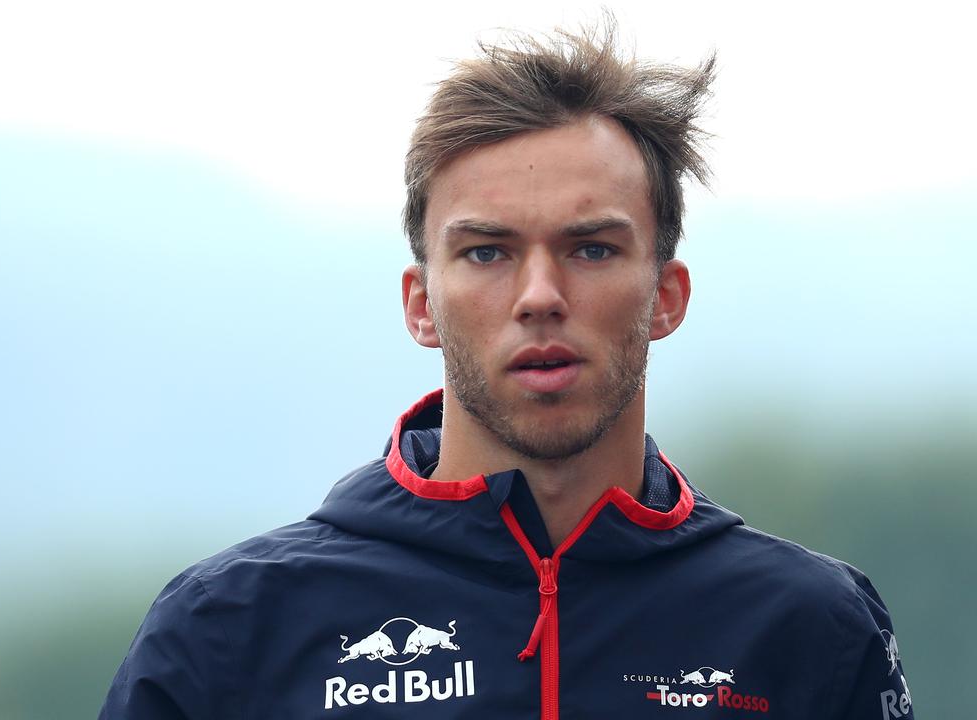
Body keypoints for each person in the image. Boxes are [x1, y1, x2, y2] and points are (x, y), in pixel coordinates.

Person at [99, 21, 914, 720]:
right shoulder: (229, 629)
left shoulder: (810, 628)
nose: (539, 296)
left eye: (590, 248)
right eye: (487, 252)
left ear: (666, 295)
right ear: (422, 304)